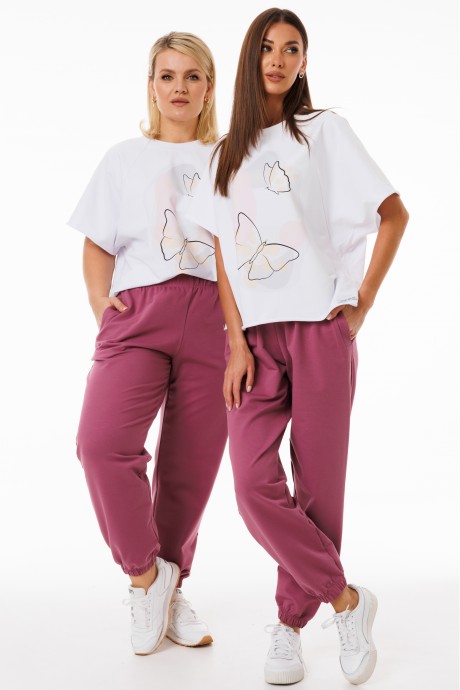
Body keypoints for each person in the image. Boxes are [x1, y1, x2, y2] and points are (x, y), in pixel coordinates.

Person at [187, 8, 409, 686]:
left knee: (318, 491)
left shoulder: (324, 132)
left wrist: (363, 300)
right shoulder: (221, 155)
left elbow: (393, 213)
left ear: (304, 62)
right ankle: (346, 601)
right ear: (249, 58)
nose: (279, 60)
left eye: (292, 49)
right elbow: (223, 257)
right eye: (267, 47)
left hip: (320, 328)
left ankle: (288, 625)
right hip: (255, 341)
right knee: (253, 487)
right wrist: (235, 343)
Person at [67, 32, 227, 656]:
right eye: (167, 76)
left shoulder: (229, 157)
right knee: (101, 444)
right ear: (151, 85)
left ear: (209, 87)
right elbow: (97, 241)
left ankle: (173, 585)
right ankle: (146, 577)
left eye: (192, 76)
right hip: (138, 312)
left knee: (191, 465)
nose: (179, 87)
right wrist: (98, 303)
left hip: (215, 315)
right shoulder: (124, 158)